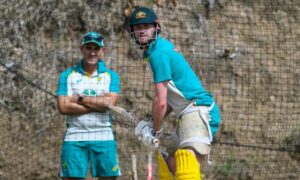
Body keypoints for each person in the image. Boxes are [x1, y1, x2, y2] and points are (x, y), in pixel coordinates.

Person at [130, 7, 221, 179]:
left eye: (145, 26)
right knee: (169, 161)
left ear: (156, 27)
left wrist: (155, 132)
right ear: (132, 31)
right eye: (137, 27)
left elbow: (161, 101)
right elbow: (172, 100)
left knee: (187, 165)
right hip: (187, 112)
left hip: (199, 110)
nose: (141, 30)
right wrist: (153, 122)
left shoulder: (158, 54)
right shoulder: (158, 50)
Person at [56, 32, 121, 180]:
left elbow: (110, 103)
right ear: (81, 50)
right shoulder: (67, 75)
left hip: (104, 135)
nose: (92, 52)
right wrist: (99, 103)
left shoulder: (111, 76)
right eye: (88, 48)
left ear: (102, 51)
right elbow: (63, 107)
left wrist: (79, 99)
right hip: (75, 136)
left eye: (96, 49)